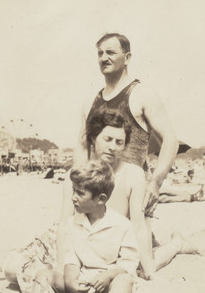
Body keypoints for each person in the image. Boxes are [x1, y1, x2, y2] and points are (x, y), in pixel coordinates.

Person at [0, 160, 139, 293]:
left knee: (125, 282)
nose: (73, 197)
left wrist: (108, 275)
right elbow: (71, 258)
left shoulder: (121, 224)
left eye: (80, 193)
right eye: (73, 191)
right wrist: (71, 281)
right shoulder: (73, 223)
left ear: (101, 199)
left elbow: (129, 262)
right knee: (44, 274)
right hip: (83, 279)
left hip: (110, 280)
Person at [57, 108, 197, 280]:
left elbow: (138, 226)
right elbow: (64, 224)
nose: (112, 147)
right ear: (94, 138)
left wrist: (150, 272)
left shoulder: (132, 173)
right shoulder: (76, 174)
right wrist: (60, 267)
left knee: (144, 269)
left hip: (113, 246)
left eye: (119, 142)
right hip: (78, 247)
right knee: (17, 269)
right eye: (107, 139)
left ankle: (177, 244)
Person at [74, 33, 179, 219]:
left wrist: (155, 183)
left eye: (111, 53)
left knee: (133, 244)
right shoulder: (90, 100)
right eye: (100, 53)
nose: (104, 58)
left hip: (132, 189)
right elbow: (82, 147)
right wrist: (78, 185)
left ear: (127, 58)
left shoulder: (143, 94)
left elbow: (170, 140)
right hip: (97, 191)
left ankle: (175, 244)